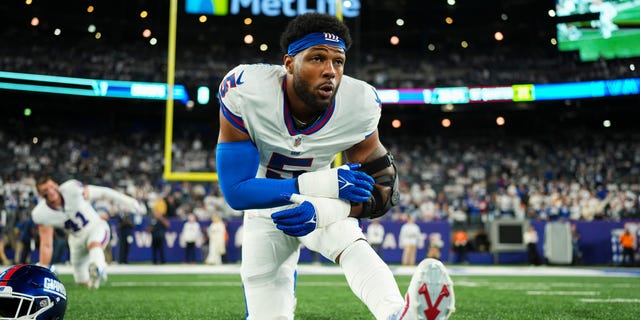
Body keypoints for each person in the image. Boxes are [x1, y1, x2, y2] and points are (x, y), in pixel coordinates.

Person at [215, 12, 454, 320]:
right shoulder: (248, 90)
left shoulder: (359, 102)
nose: (330, 71)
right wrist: (320, 185)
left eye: (338, 61)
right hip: (264, 204)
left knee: (348, 240)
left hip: (323, 202)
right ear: (289, 63)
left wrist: (327, 209)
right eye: (317, 58)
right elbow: (236, 192)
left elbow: (384, 191)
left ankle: (397, 314)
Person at [32, 176, 145, 289]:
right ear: (40, 194)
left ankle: (98, 268)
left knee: (94, 244)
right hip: (76, 239)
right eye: (45, 190)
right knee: (81, 280)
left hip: (95, 227)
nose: (51, 191)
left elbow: (103, 192)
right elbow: (46, 244)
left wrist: (128, 201)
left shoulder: (72, 189)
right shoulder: (41, 214)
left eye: (51, 187)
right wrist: (44, 267)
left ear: (56, 185)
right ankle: (96, 274)